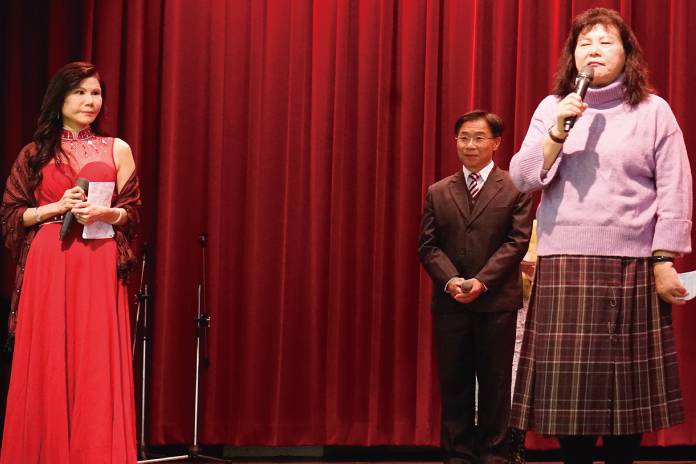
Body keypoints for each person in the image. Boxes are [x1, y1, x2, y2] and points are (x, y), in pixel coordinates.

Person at [508, 8, 692, 464]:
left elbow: (675, 187)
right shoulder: (553, 107)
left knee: (627, 396)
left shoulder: (653, 110)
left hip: (633, 263)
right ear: (572, 56)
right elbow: (523, 179)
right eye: (584, 43)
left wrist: (664, 258)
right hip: (564, 264)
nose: (593, 50)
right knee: (570, 398)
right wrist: (557, 131)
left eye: (606, 41)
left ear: (627, 53)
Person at [0, 62, 140, 463]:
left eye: (95, 93)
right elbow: (12, 215)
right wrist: (55, 207)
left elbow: (132, 213)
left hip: (98, 260)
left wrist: (107, 213)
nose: (89, 101)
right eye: (79, 92)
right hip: (50, 262)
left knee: (95, 359)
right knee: (49, 357)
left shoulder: (117, 148)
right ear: (59, 99)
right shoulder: (35, 153)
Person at [419, 110, 533, 463]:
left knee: (495, 386)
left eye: (479, 138)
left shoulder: (514, 188)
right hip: (451, 303)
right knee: (455, 385)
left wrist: (482, 282)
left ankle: (494, 456)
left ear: (496, 143)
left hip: (496, 303)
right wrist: (452, 280)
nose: (470, 145)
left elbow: (516, 242)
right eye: (463, 137)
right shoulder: (438, 191)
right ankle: (457, 455)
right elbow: (428, 246)